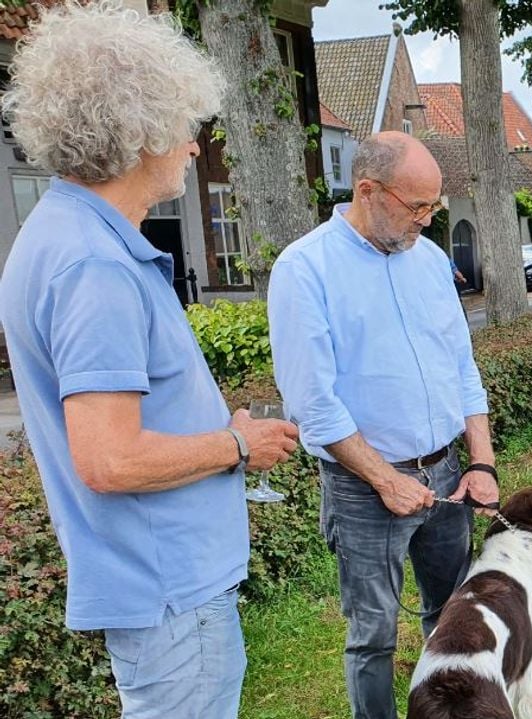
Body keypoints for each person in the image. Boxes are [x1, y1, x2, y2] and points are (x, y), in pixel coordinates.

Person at [0, 5, 299, 716]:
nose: (196, 147)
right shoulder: (93, 264)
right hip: (172, 597)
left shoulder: (63, 235)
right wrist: (235, 443)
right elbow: (109, 459)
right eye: (188, 125)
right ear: (141, 130)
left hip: (162, 592)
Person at [268, 132, 499, 719]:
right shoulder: (304, 269)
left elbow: (462, 369)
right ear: (367, 191)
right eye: (416, 206)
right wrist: (384, 480)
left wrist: (481, 460)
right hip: (362, 491)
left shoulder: (429, 260)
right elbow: (314, 405)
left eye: (432, 206)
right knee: (372, 635)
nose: (427, 219)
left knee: (451, 618)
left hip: (447, 474)